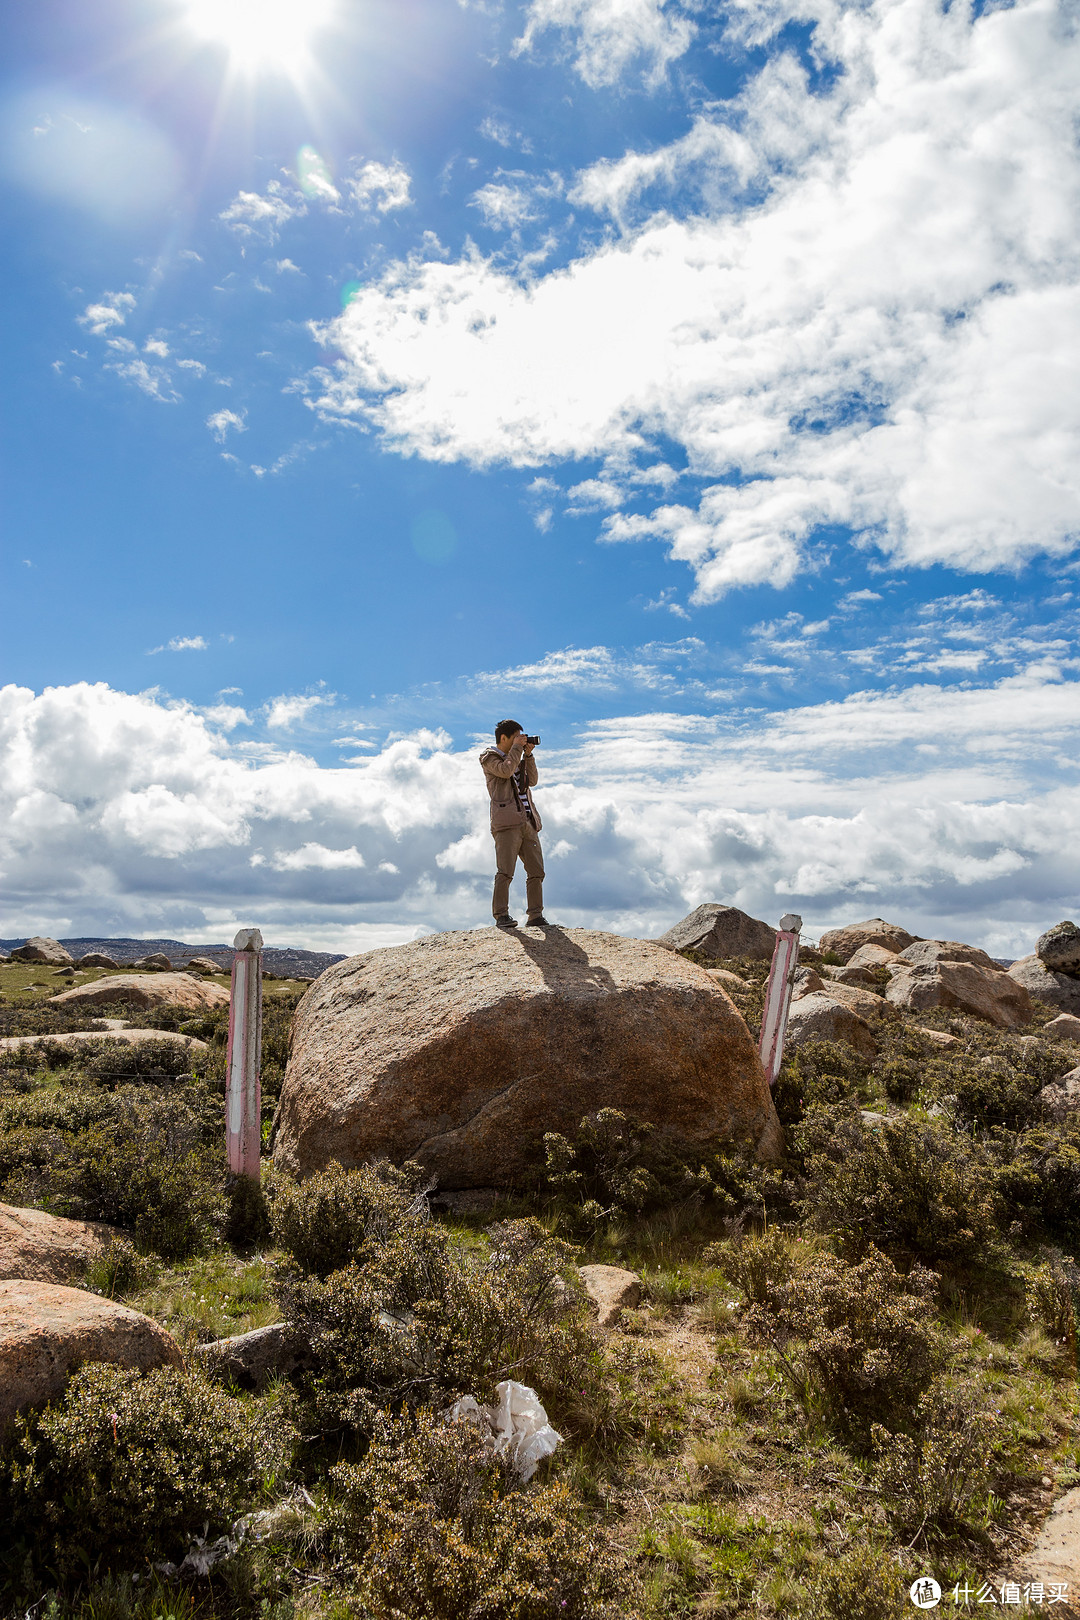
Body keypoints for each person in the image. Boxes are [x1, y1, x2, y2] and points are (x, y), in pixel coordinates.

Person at [479, 720, 549, 929]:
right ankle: (501, 915)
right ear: (504, 738)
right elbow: (505, 771)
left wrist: (528, 755)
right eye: (517, 736)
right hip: (506, 822)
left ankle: (535, 916)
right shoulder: (489, 757)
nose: (521, 739)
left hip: (527, 820)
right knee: (505, 871)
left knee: (537, 871)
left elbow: (533, 780)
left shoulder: (518, 756)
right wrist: (518, 749)